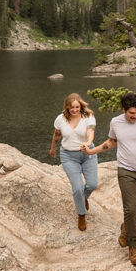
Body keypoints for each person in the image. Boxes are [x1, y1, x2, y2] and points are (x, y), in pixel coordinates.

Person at [83, 92, 136, 266]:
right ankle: (132, 247)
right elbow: (111, 142)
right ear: (124, 110)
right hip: (126, 171)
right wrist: (92, 151)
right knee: (130, 209)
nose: (134, 116)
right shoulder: (116, 122)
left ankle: (126, 228)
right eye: (131, 113)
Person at [49, 93, 98, 231]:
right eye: (72, 108)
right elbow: (57, 134)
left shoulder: (88, 116)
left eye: (77, 107)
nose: (75, 110)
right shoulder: (60, 119)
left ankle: (82, 199)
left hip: (88, 153)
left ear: (81, 106)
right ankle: (81, 214)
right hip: (69, 156)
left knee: (93, 184)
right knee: (77, 188)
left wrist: (88, 143)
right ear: (67, 107)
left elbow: (90, 132)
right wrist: (53, 148)